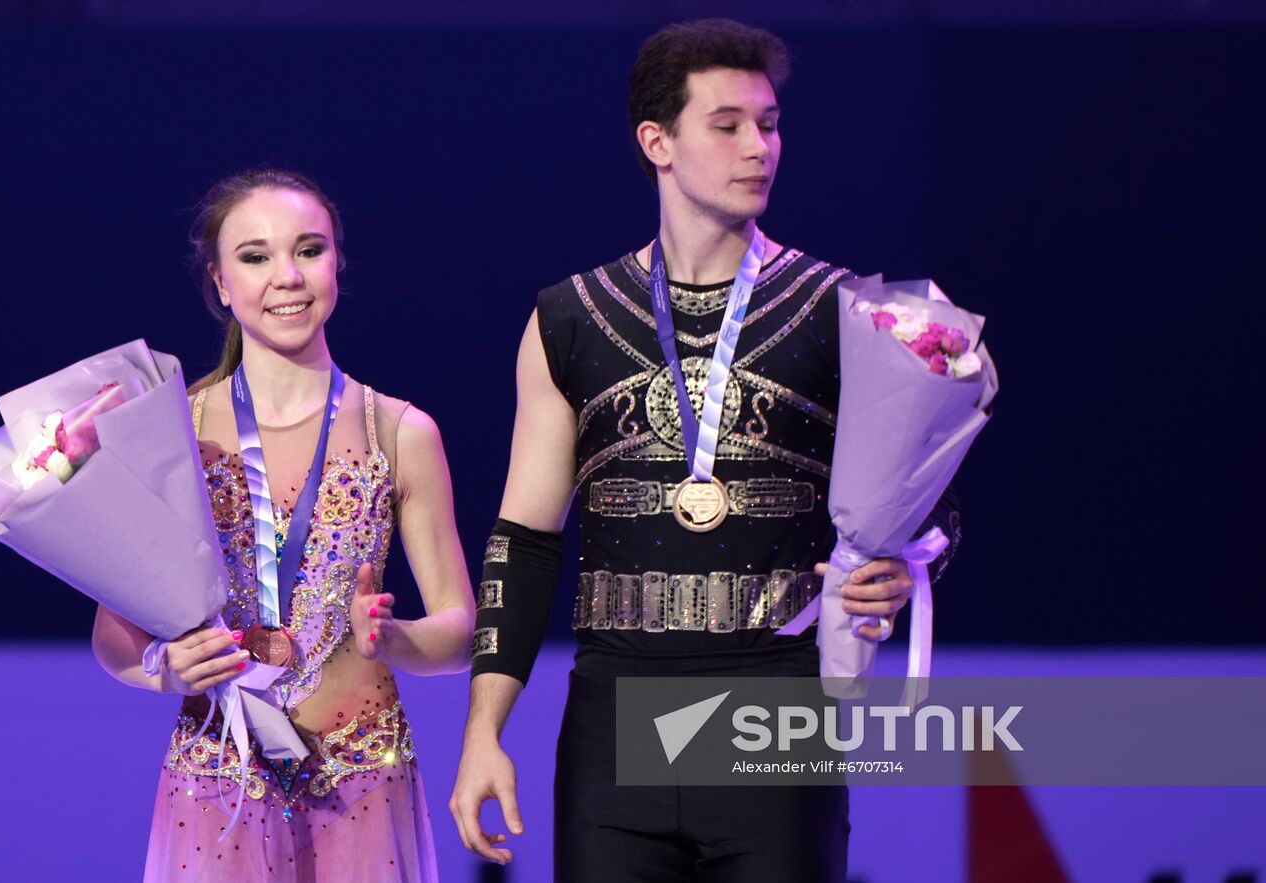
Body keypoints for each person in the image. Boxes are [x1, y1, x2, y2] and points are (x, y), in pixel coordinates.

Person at [448, 19, 961, 882]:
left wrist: (908, 564)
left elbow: (927, 499)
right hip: (614, 723)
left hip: (776, 712)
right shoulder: (568, 319)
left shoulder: (839, 309)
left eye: (769, 123)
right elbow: (525, 543)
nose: (759, 146)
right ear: (658, 142)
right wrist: (482, 732)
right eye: (727, 125)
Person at [91, 168, 475, 882]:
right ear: (220, 282)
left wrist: (393, 637)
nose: (287, 276)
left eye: (309, 250)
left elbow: (459, 630)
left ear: (336, 263)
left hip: (362, 779)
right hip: (218, 780)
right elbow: (113, 635)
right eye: (255, 256)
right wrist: (164, 667)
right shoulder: (172, 431)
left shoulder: (401, 432)